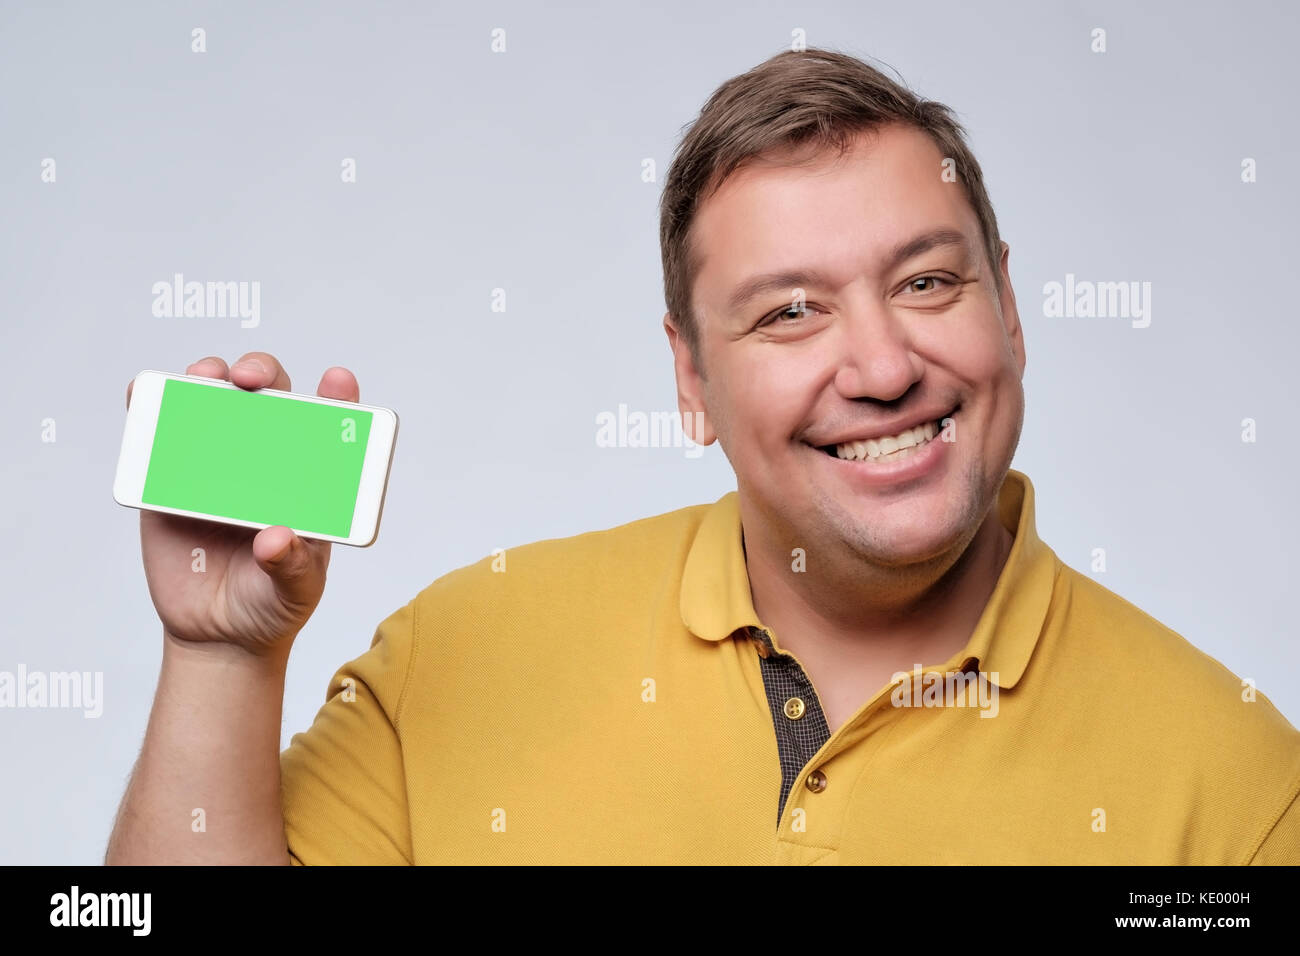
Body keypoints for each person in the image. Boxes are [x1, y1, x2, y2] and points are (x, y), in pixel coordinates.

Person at [105, 47, 1300, 865]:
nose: (882, 364)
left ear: (1010, 311)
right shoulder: (457, 653)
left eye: (928, 281)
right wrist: (219, 658)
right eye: (789, 311)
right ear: (690, 380)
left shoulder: (1240, 779)